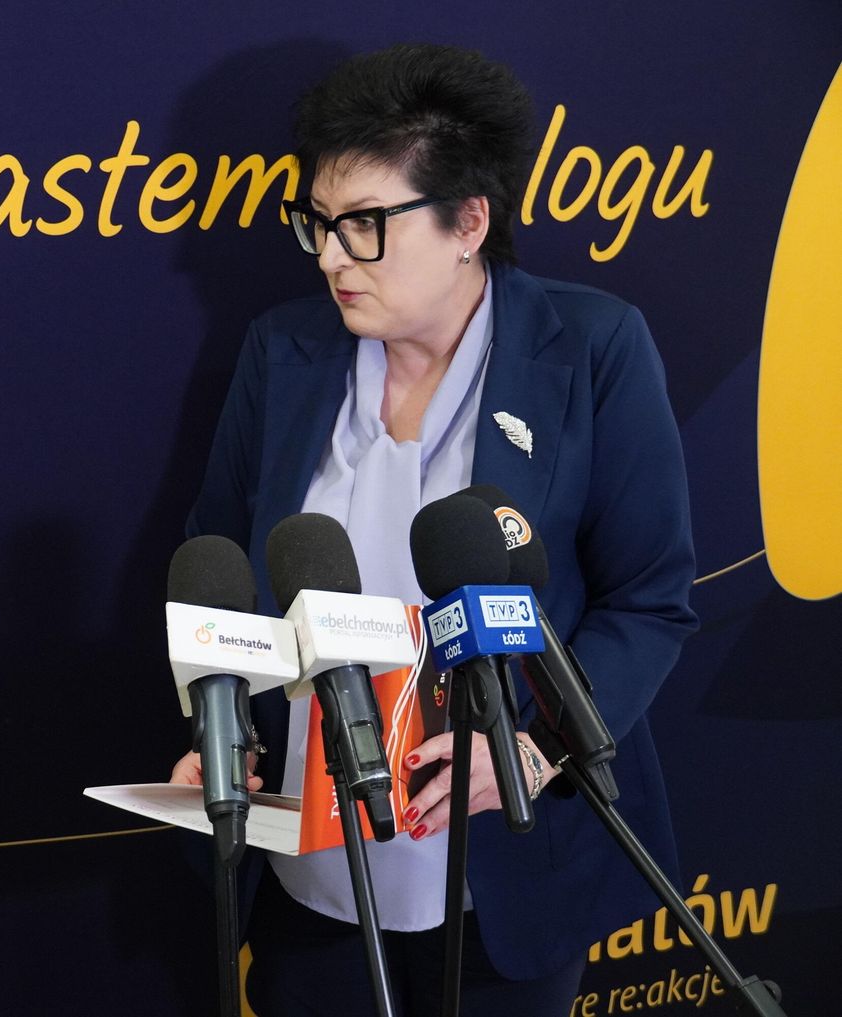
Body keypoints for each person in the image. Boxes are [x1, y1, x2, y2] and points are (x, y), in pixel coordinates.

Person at [170, 44, 697, 1015]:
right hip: (311, 865)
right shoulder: (282, 351)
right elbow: (222, 565)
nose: (331, 256)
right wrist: (224, 723)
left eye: (365, 225)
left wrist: (532, 750)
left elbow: (648, 600)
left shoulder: (592, 347)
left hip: (506, 867)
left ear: (469, 223)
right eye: (318, 223)